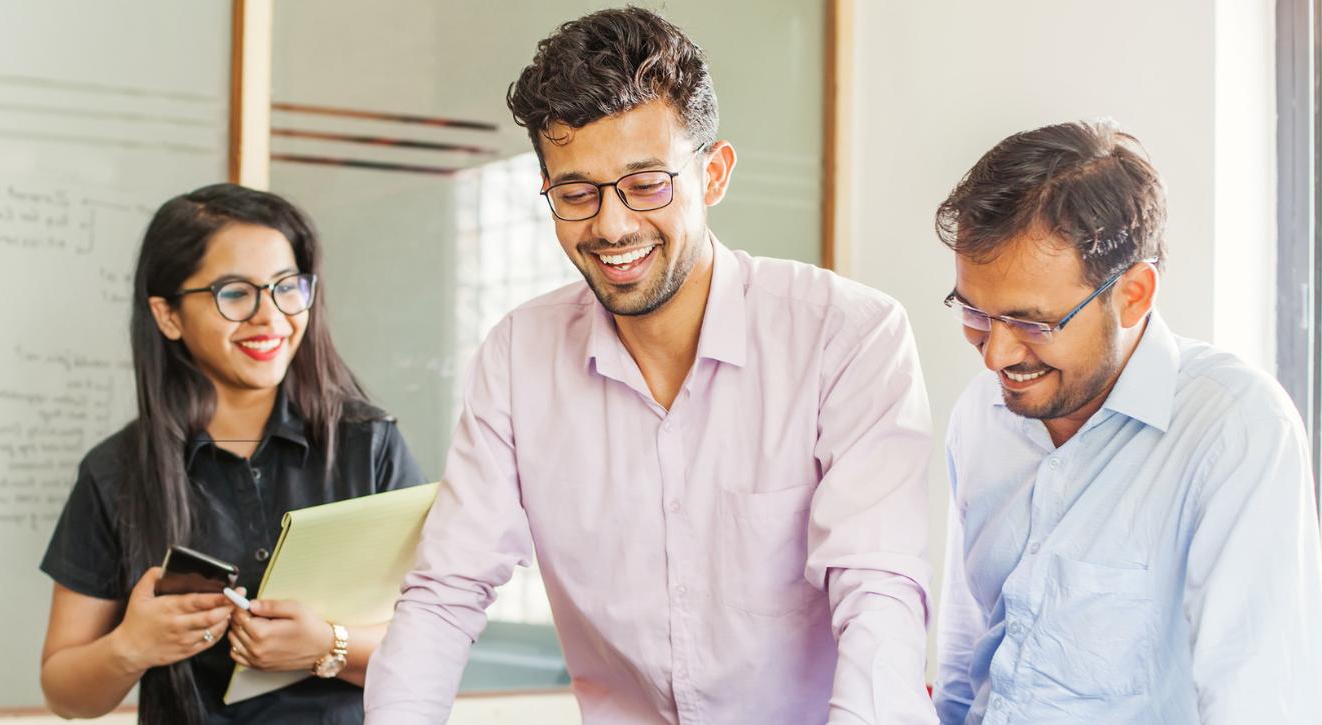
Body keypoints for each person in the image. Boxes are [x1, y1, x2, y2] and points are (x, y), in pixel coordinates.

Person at [364, 8, 935, 724]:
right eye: (576, 193)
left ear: (714, 173)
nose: (611, 225)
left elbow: (879, 589)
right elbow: (446, 594)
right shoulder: (518, 356)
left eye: (647, 184)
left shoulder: (845, 335)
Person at [930, 120, 1322, 723]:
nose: (996, 354)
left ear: (1135, 294)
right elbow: (965, 661)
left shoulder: (1234, 430)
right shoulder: (981, 413)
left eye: (1033, 323)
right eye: (975, 314)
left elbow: (1265, 702)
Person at [38, 183, 425, 724]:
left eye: (286, 287)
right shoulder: (115, 473)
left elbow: (434, 646)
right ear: (168, 315)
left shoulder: (370, 444)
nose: (270, 317)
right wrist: (132, 645)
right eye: (235, 293)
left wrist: (328, 646)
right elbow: (66, 694)